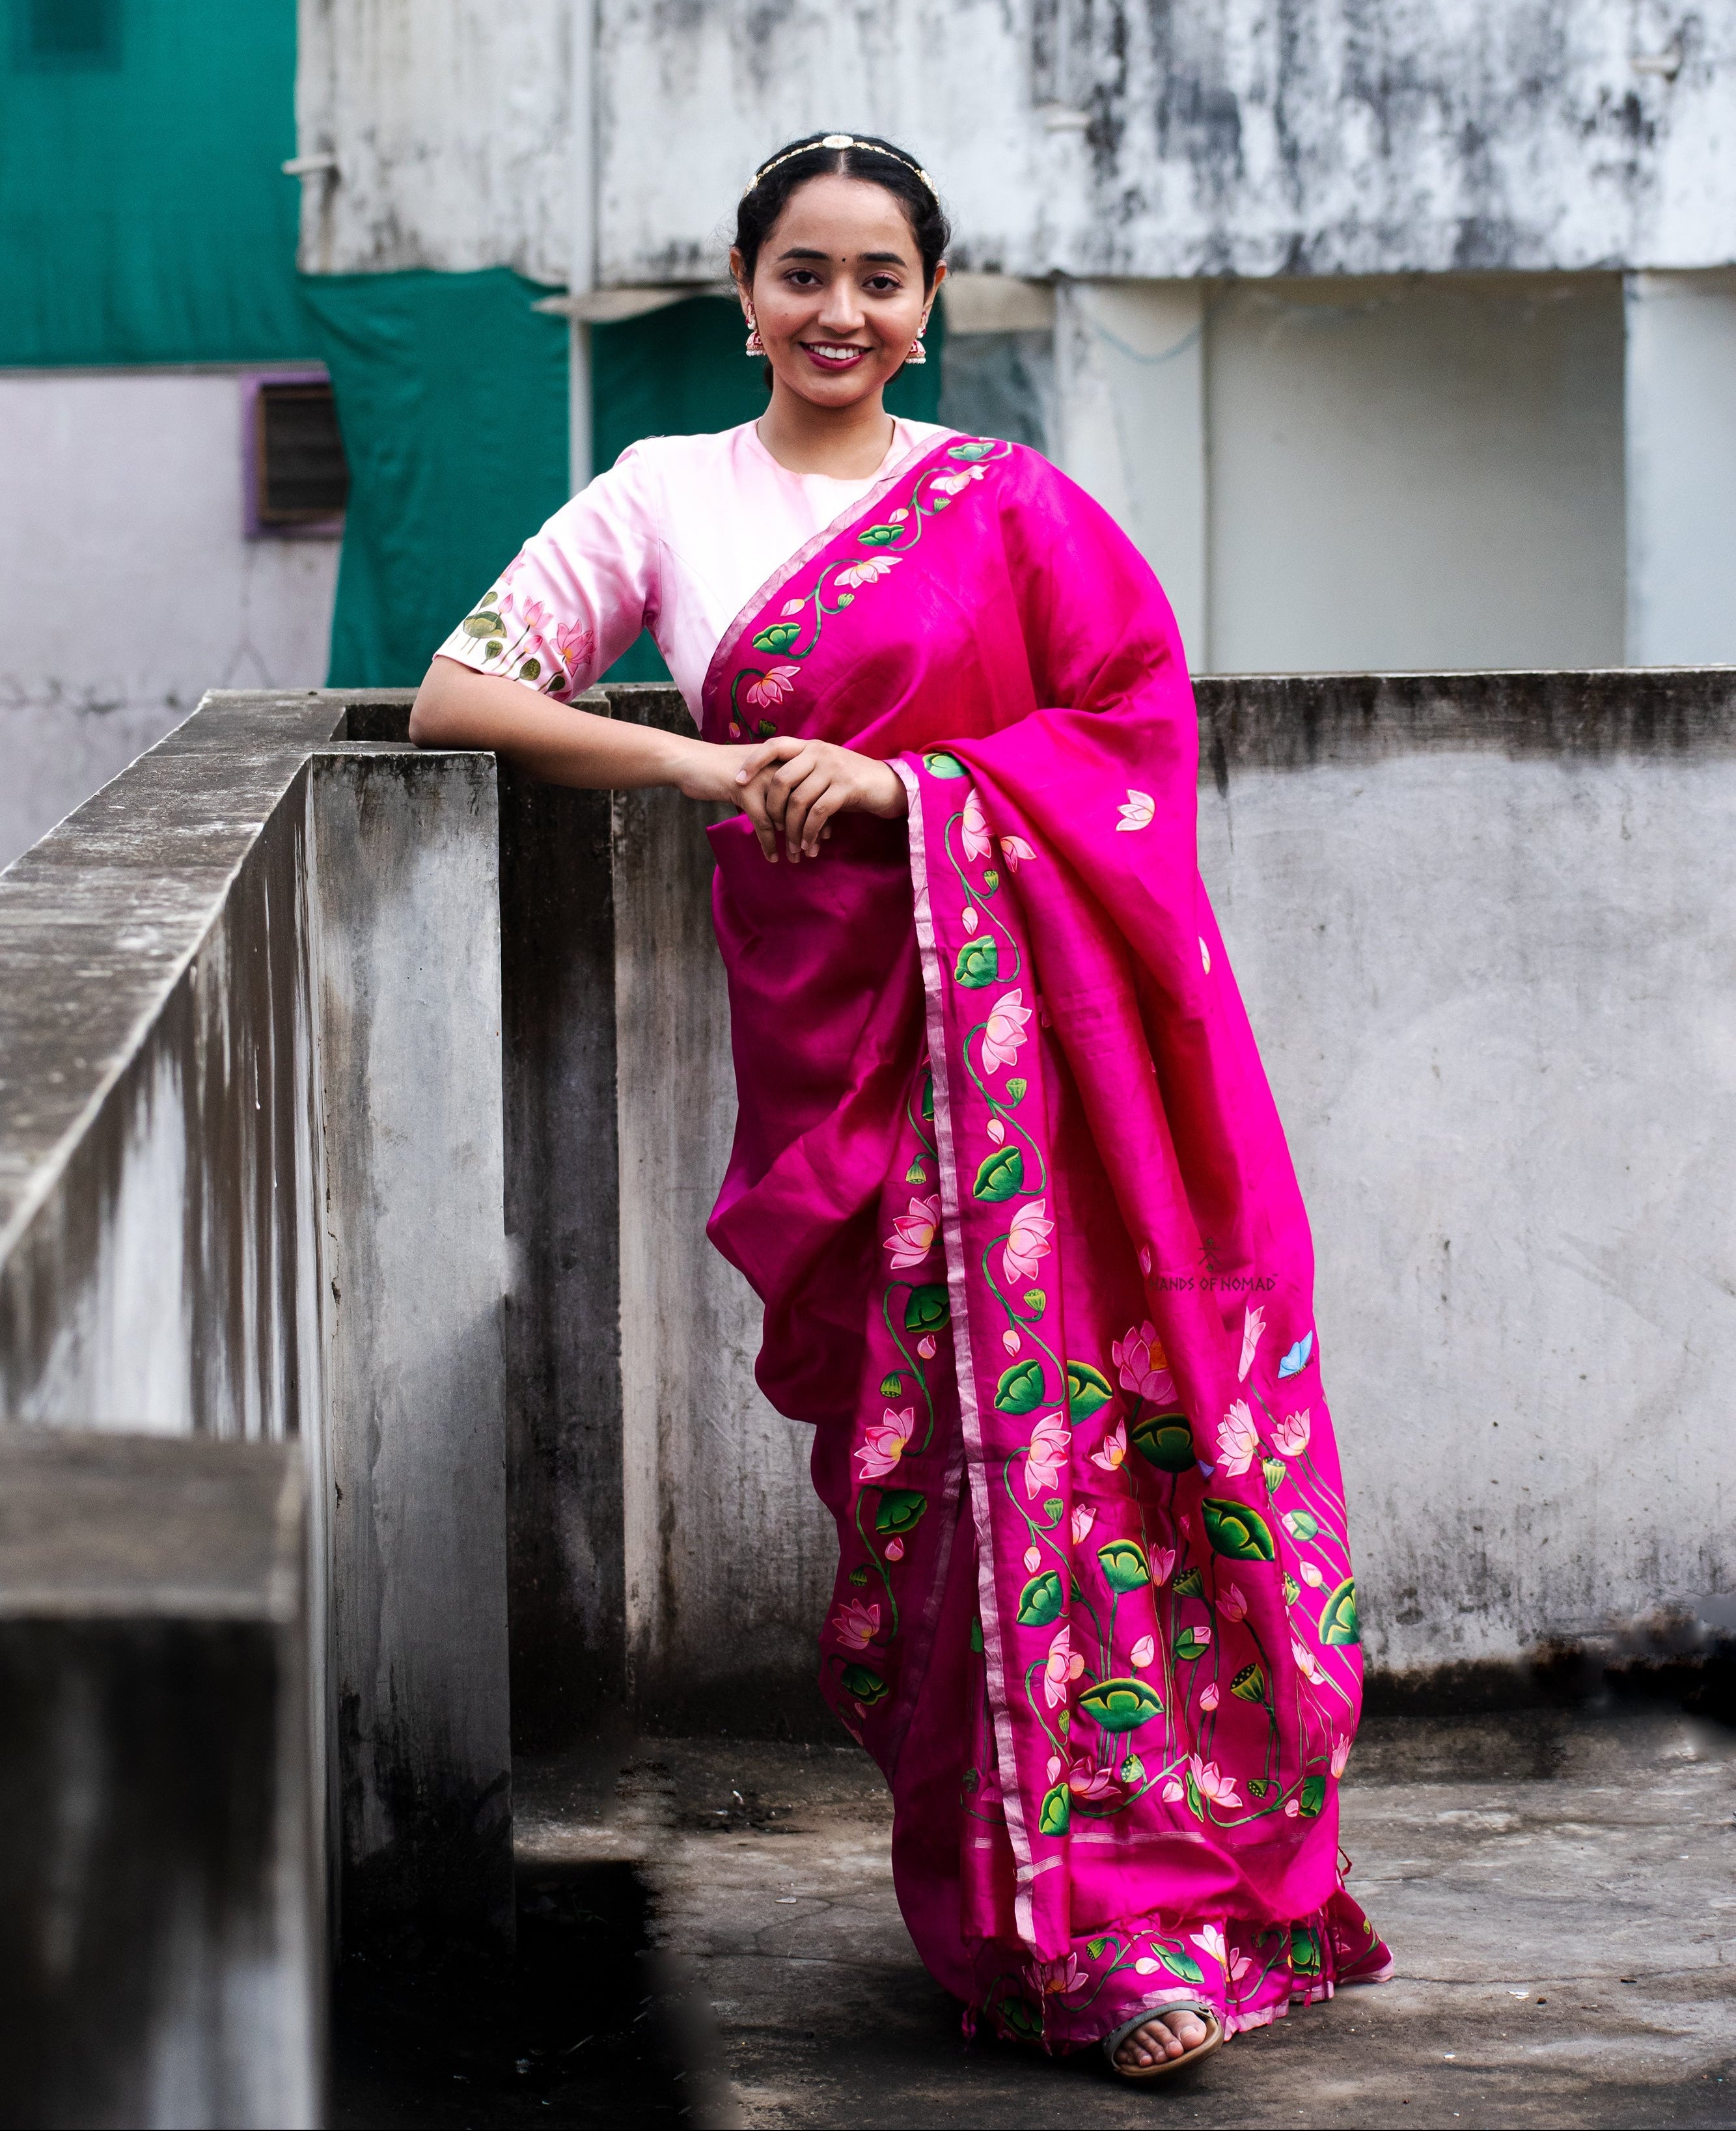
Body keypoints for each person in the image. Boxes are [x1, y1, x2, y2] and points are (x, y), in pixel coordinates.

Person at [409, 130, 1391, 2082]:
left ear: (930, 299)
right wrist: (715, 770)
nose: (838, 311)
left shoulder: (1009, 505)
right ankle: (1007, 1921)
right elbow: (463, 689)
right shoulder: (666, 498)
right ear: (743, 284)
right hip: (841, 1078)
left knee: (1095, 1471)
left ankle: (1133, 1920)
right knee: (939, 1507)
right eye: (801, 273)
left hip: (1044, 1087)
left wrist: (903, 792)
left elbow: (1129, 732)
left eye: (878, 277)